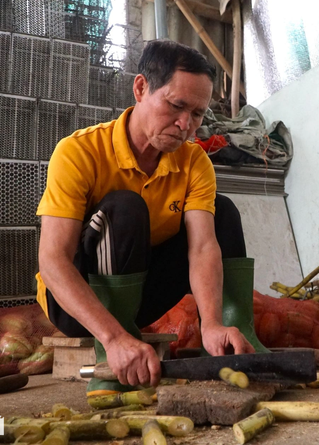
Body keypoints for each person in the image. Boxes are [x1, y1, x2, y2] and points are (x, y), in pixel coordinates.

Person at [36, 40, 268, 396]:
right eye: (176, 106)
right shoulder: (78, 152)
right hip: (79, 306)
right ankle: (111, 356)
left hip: (142, 297)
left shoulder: (194, 162)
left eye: (197, 114)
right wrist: (115, 338)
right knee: (126, 209)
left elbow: (204, 247)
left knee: (223, 212)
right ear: (141, 88)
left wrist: (211, 323)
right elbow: (52, 261)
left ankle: (229, 343)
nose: (186, 125)